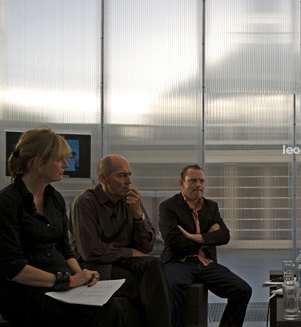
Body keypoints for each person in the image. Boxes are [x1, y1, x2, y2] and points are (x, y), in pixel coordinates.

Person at [0, 126, 125, 327]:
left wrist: (82, 275)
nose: (66, 164)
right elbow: (13, 268)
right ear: (38, 162)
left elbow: (64, 248)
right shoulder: (8, 201)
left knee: (111, 309)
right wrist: (68, 281)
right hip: (26, 291)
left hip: (62, 285)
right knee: (69, 317)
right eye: (59, 159)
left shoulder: (55, 199)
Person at [69, 154, 173, 327]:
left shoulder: (130, 200)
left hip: (123, 263)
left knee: (155, 266)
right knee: (152, 288)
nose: (129, 181)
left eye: (129, 175)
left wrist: (138, 216)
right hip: (95, 267)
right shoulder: (84, 203)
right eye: (122, 176)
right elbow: (91, 251)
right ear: (103, 178)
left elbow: (146, 246)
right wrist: (129, 252)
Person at [159, 164, 252, 327]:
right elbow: (174, 242)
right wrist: (208, 236)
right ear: (182, 183)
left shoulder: (211, 207)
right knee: (173, 288)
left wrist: (194, 237)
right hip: (178, 262)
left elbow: (224, 236)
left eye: (201, 181)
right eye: (193, 180)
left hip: (206, 263)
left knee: (243, 290)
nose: (198, 185)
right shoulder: (168, 207)